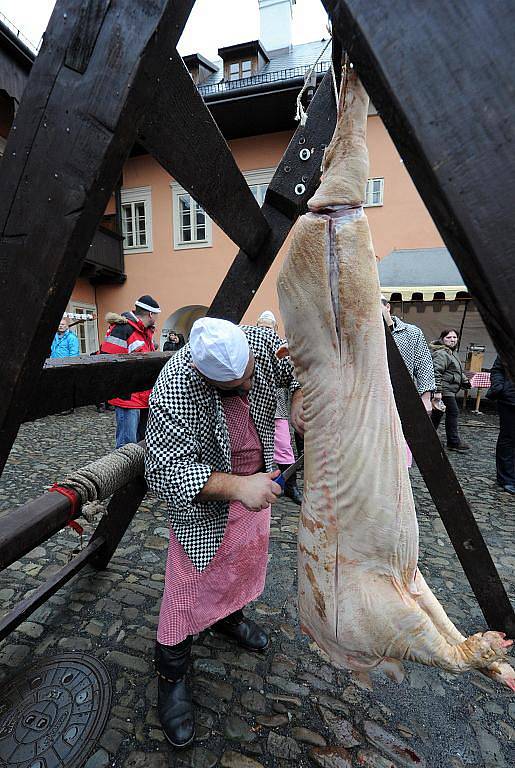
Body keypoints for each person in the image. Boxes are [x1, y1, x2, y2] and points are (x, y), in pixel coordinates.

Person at [145, 317, 303, 748]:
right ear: (204, 375)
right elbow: (162, 472)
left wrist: (301, 397)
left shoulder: (262, 341)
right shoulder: (176, 384)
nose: (249, 389)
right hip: (208, 504)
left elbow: (302, 365)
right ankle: (171, 674)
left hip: (256, 490)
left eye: (250, 376)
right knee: (186, 588)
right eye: (235, 387)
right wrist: (237, 486)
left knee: (240, 570)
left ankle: (227, 619)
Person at [100, 295, 161, 447]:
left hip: (143, 397)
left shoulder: (144, 332)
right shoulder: (123, 329)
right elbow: (109, 361)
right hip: (128, 398)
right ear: (151, 314)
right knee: (126, 446)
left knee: (142, 442)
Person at [256, 310, 302, 505]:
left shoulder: (281, 348)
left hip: (277, 408)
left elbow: (293, 376)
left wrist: (297, 399)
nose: (266, 331)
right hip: (256, 407)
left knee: (283, 447)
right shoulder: (252, 346)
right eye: (263, 327)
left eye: (269, 328)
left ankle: (290, 485)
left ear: (275, 329)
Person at [381, 297, 435, 413]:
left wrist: (426, 398)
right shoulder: (365, 336)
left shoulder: (411, 333)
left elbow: (424, 365)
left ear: (387, 307)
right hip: (375, 398)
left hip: (405, 395)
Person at [429, 328, 472, 451]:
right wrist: (437, 391)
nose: (452, 340)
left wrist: (464, 381)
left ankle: (428, 438)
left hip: (448, 389)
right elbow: (436, 372)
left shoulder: (452, 352)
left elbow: (456, 370)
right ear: (442, 339)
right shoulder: (442, 353)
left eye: (454, 337)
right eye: (448, 337)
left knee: (437, 414)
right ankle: (453, 441)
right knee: (453, 412)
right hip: (444, 390)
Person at [486, 355, 515, 493]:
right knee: (508, 438)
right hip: (509, 400)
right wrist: (500, 387)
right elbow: (497, 370)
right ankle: (506, 478)